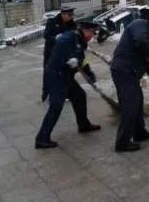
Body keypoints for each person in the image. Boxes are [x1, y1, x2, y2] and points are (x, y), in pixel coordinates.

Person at [35, 21, 102, 149]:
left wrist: (89, 73)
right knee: (56, 106)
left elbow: (82, 59)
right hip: (56, 75)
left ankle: (83, 125)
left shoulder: (80, 40)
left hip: (66, 76)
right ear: (86, 31)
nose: (93, 36)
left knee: (79, 95)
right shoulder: (68, 38)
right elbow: (59, 46)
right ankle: (41, 139)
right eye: (92, 33)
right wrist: (67, 58)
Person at [110, 6, 149, 152]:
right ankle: (122, 142)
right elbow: (141, 44)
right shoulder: (140, 24)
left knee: (137, 102)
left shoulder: (142, 29)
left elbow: (145, 61)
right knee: (130, 106)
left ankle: (139, 133)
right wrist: (148, 54)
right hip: (124, 71)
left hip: (128, 71)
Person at [41, 4, 76, 102]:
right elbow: (46, 35)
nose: (71, 17)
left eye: (72, 14)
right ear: (63, 14)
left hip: (64, 53)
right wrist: (55, 38)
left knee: (67, 72)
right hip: (51, 52)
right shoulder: (52, 22)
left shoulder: (72, 24)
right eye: (69, 15)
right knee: (48, 73)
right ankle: (46, 92)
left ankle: (66, 93)